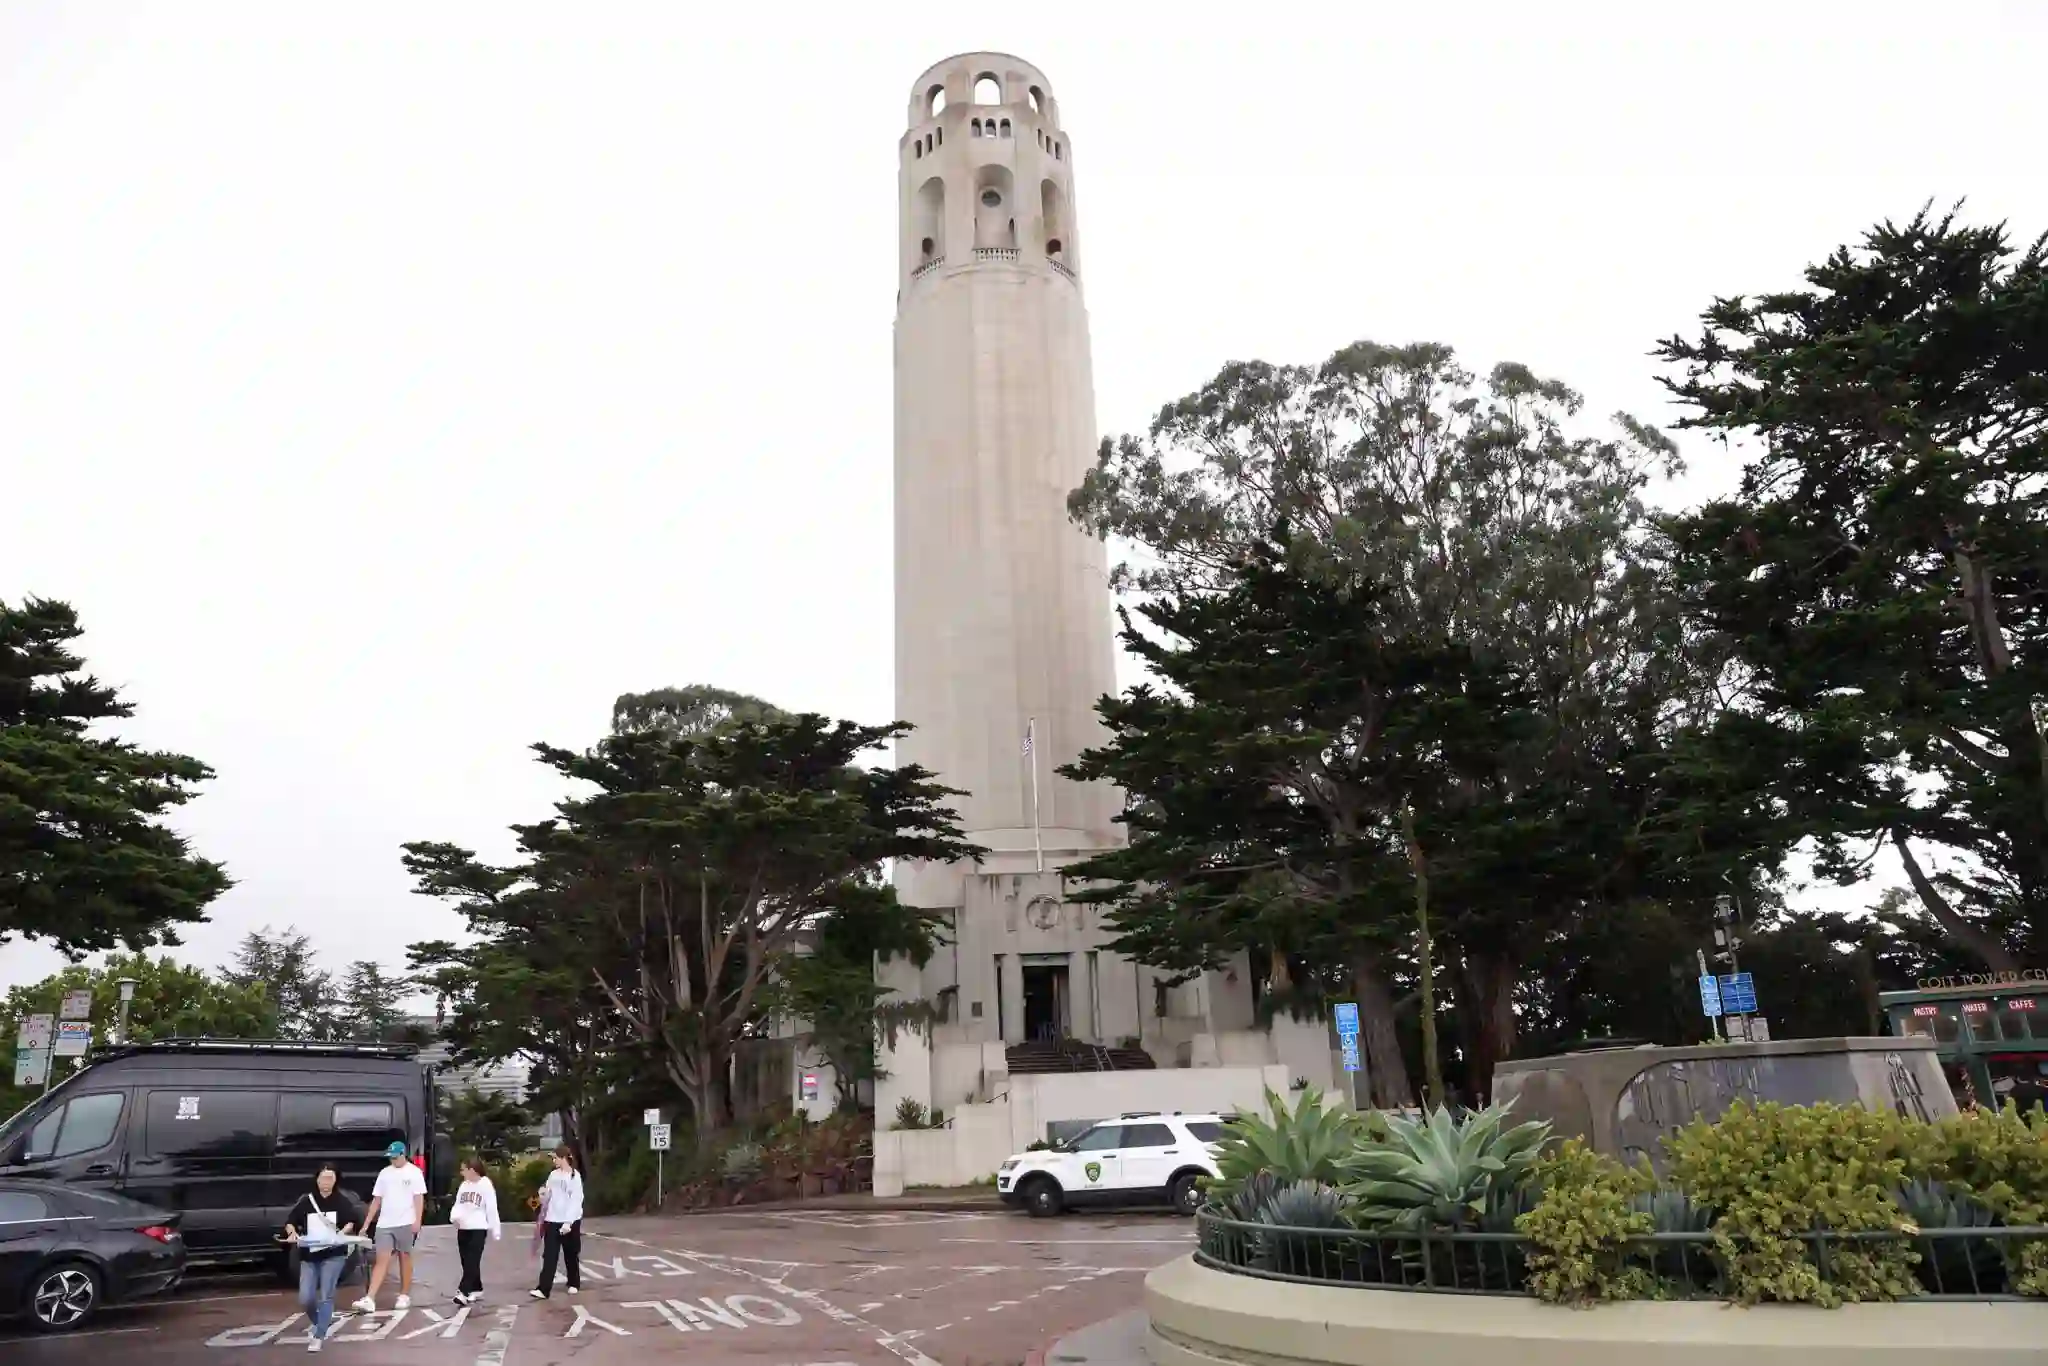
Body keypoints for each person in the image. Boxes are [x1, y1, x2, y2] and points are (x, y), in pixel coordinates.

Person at [280, 1164, 362, 1353]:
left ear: (336, 1180)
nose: (326, 1182)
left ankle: (319, 1336)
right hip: (309, 1255)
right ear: (317, 1179)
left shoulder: (341, 1201)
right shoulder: (306, 1201)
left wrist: (342, 1232)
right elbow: (291, 1221)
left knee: (326, 1294)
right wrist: (292, 1233)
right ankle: (320, 1323)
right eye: (323, 1178)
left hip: (334, 1254)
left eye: (330, 1178)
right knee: (305, 1297)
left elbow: (351, 1220)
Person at [353, 1141, 426, 1314]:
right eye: (390, 1158)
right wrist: (366, 1224)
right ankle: (370, 1298)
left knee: (404, 1256)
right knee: (381, 1259)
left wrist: (418, 1220)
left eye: (395, 1157)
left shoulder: (414, 1172)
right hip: (385, 1223)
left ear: (403, 1155)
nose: (393, 1160)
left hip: (406, 1221)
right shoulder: (384, 1174)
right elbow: (376, 1200)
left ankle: (404, 1294)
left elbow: (418, 1198)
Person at [529, 1144, 584, 1300]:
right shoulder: (553, 1175)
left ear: (563, 1158)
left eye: (555, 1158)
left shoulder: (575, 1177)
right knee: (550, 1255)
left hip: (570, 1221)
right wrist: (542, 1195)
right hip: (552, 1219)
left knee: (571, 1253)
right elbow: (547, 1195)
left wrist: (568, 1223)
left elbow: (576, 1200)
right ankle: (543, 1289)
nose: (553, 1161)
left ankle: (574, 1282)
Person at [450, 1154, 502, 1304]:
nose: (462, 1173)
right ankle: (476, 1288)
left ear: (472, 1170)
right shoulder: (464, 1185)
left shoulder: (485, 1184)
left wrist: (495, 1229)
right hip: (463, 1227)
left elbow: (491, 1208)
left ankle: (463, 1291)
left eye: (463, 1170)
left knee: (473, 1259)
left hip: (478, 1227)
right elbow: (458, 1204)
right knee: (466, 1261)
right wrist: (454, 1218)